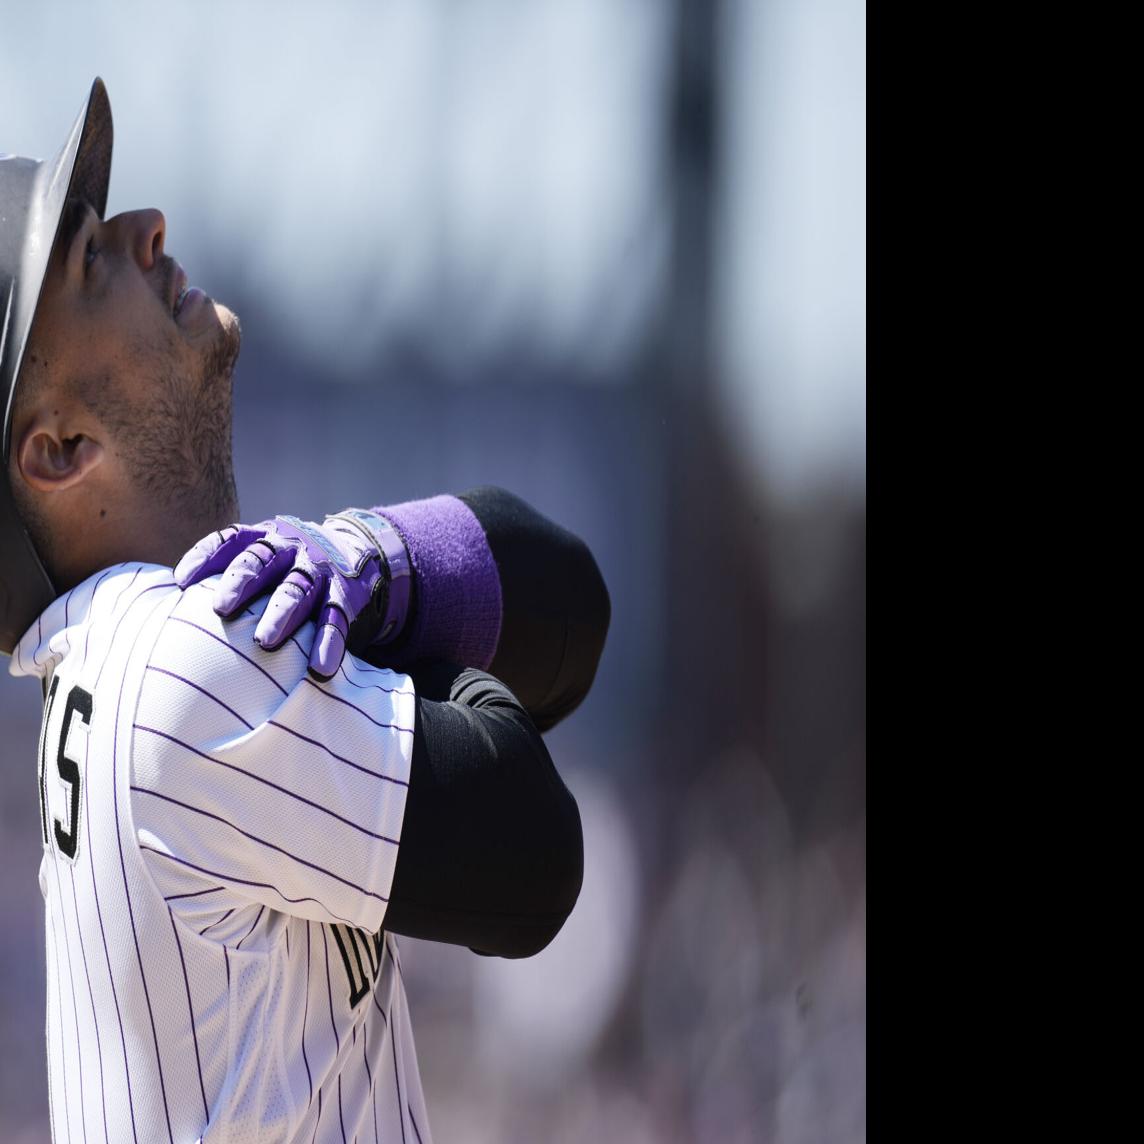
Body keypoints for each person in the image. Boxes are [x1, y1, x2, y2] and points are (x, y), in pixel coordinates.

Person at [1, 78, 609, 1143]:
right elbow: (533, 856)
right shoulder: (175, 659)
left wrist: (364, 558)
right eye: (88, 261)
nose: (149, 231)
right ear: (57, 450)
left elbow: (569, 610)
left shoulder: (117, 668)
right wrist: (383, 616)